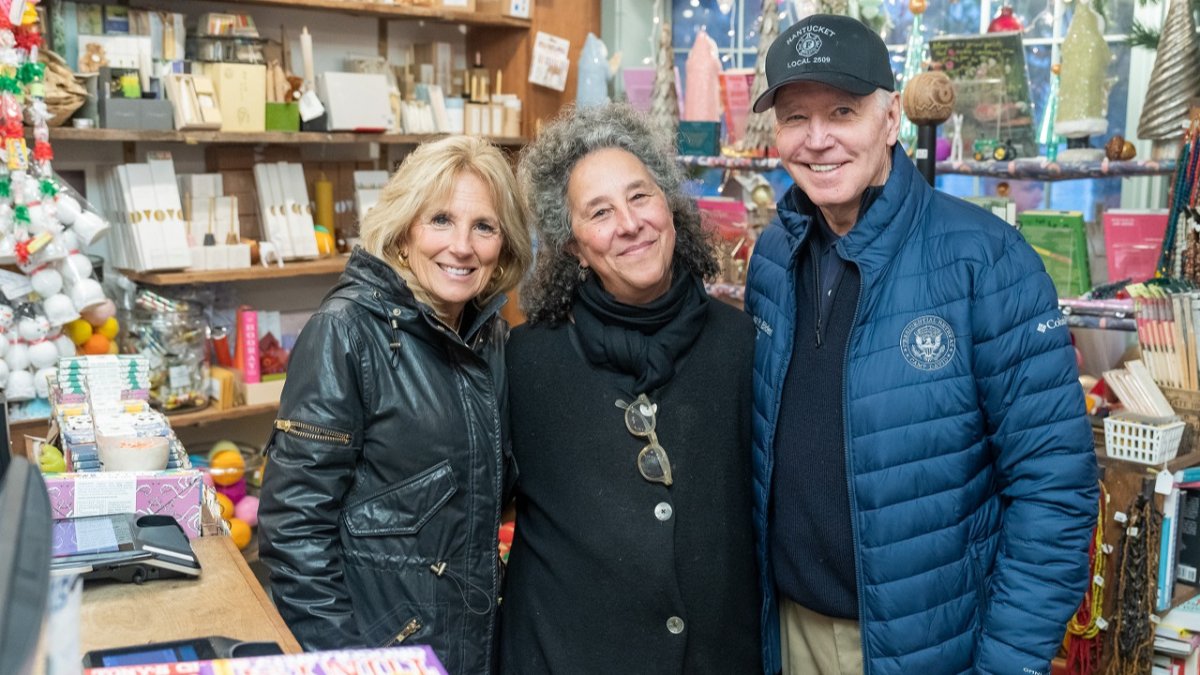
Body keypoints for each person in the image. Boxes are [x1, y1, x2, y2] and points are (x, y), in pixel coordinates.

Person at [744, 14, 1099, 675]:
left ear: (889, 121)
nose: (817, 140)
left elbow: (1054, 490)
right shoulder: (771, 257)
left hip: (929, 648)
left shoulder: (985, 261)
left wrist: (1005, 664)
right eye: (795, 117)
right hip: (788, 631)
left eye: (842, 112)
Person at [498, 103, 761, 674]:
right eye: (600, 211)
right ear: (572, 245)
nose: (629, 222)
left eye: (640, 196)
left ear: (670, 207)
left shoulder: (741, 345)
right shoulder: (525, 360)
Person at [258, 135, 532, 674]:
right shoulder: (345, 333)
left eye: (484, 226)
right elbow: (294, 531)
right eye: (441, 220)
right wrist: (350, 663)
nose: (462, 246)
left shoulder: (494, 340)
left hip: (473, 649)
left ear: (504, 245)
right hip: (384, 655)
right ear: (405, 231)